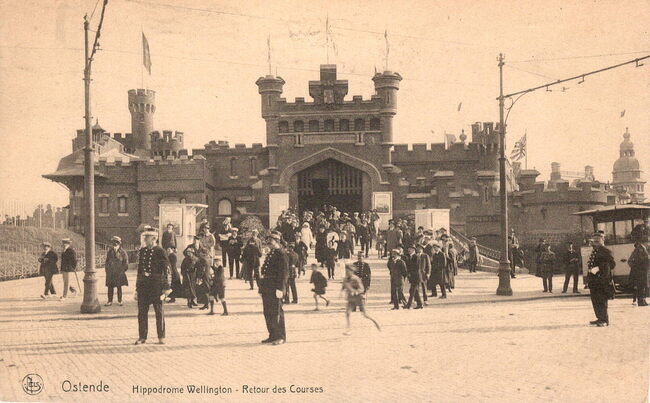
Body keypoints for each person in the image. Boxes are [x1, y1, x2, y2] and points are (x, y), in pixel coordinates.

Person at [134, 230, 171, 345]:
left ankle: (161, 336)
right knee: (142, 313)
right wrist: (137, 289)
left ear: (154, 239)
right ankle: (142, 337)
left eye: (147, 237)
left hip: (156, 286)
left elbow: (166, 270)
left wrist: (166, 288)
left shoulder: (160, 251)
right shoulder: (143, 251)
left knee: (159, 312)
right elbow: (140, 271)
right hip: (144, 287)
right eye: (144, 237)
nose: (145, 239)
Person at [259, 231, 289, 345]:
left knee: (277, 312)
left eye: (270, 240)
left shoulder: (281, 254)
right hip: (267, 287)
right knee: (268, 312)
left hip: (275, 287)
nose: (268, 242)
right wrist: (261, 288)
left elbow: (284, 273)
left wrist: (281, 288)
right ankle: (272, 335)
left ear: (277, 241)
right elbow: (264, 272)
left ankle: (280, 336)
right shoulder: (271, 253)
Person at [342, 264, 381, 335]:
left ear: (352, 271)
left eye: (348, 271)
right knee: (347, 313)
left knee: (365, 315)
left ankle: (375, 322)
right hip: (351, 299)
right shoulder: (345, 279)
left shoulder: (356, 279)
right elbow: (343, 287)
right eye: (346, 271)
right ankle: (348, 330)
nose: (347, 273)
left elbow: (361, 289)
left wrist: (355, 292)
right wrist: (341, 292)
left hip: (359, 298)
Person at [586, 231, 615, 326]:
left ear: (602, 240)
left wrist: (599, 268)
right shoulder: (595, 251)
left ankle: (604, 320)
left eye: (597, 241)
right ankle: (599, 318)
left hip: (601, 280)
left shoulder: (606, 251)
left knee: (601, 300)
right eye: (594, 241)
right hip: (594, 280)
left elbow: (612, 264)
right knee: (595, 300)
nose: (595, 243)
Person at [105, 236, 129, 306]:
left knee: (119, 286)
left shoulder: (122, 252)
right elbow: (107, 261)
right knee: (110, 287)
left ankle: (120, 300)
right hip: (111, 272)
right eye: (113, 242)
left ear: (119, 243)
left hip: (119, 272)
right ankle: (109, 301)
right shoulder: (110, 251)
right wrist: (107, 269)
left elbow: (126, 262)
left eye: (116, 242)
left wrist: (122, 270)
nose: (115, 244)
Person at [181, 236, 201, 308]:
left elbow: (198, 267)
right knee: (187, 289)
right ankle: (189, 301)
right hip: (186, 275)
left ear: (193, 253)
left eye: (190, 252)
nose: (188, 254)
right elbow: (182, 268)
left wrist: (198, 276)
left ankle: (193, 300)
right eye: (187, 252)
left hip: (193, 275)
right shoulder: (185, 260)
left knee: (193, 288)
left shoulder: (196, 259)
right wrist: (184, 273)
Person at [628, 241, 649, 306]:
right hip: (640, 272)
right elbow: (629, 261)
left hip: (644, 271)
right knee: (641, 286)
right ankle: (641, 301)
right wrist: (636, 267)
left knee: (643, 286)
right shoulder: (637, 251)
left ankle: (643, 300)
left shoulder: (644, 250)